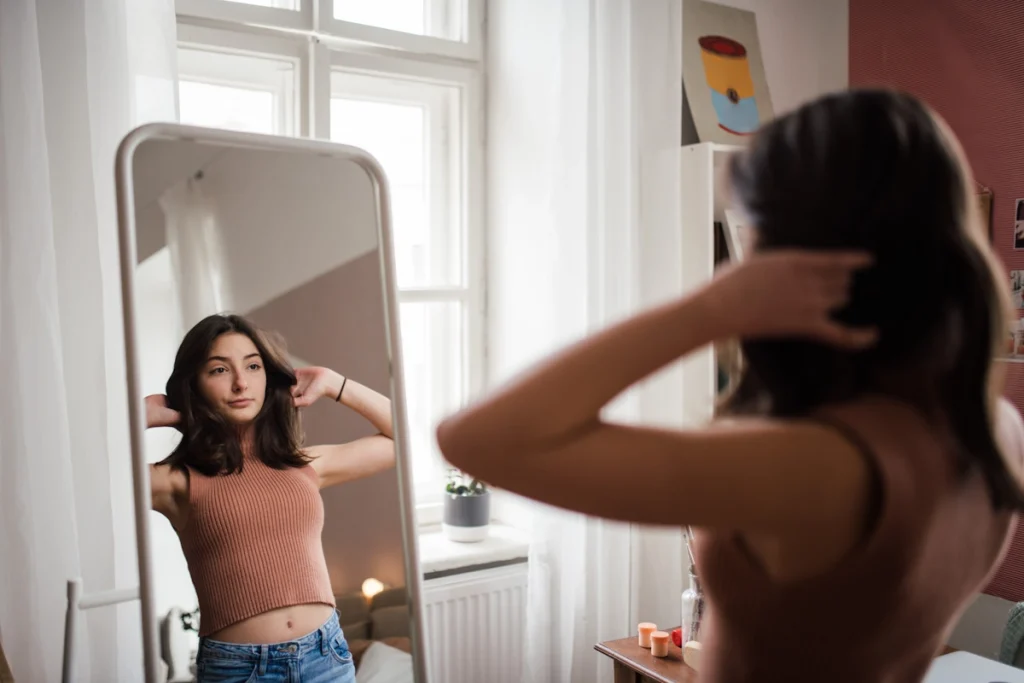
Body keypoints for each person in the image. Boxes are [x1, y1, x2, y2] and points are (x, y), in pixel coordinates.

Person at [435, 89, 1024, 683]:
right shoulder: (994, 431)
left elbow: (476, 440)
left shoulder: (815, 465)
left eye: (757, 224)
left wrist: (711, 308)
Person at [147, 313, 395, 683]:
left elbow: (402, 438)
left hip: (325, 658)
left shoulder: (303, 465)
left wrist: (333, 383)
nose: (241, 383)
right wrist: (136, 416)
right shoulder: (175, 480)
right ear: (193, 384)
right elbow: (90, 485)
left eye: (253, 366)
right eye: (219, 370)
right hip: (238, 669)